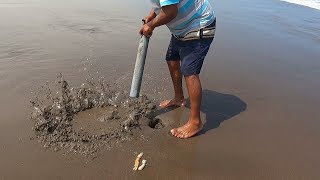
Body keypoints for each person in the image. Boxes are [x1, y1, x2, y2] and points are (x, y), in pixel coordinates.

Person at [140, 0, 216, 139]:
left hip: (199, 24)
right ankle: (178, 98)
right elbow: (160, 4)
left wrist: (151, 25)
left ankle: (195, 122)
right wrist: (151, 16)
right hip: (181, 29)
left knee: (189, 71)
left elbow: (171, 11)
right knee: (172, 58)